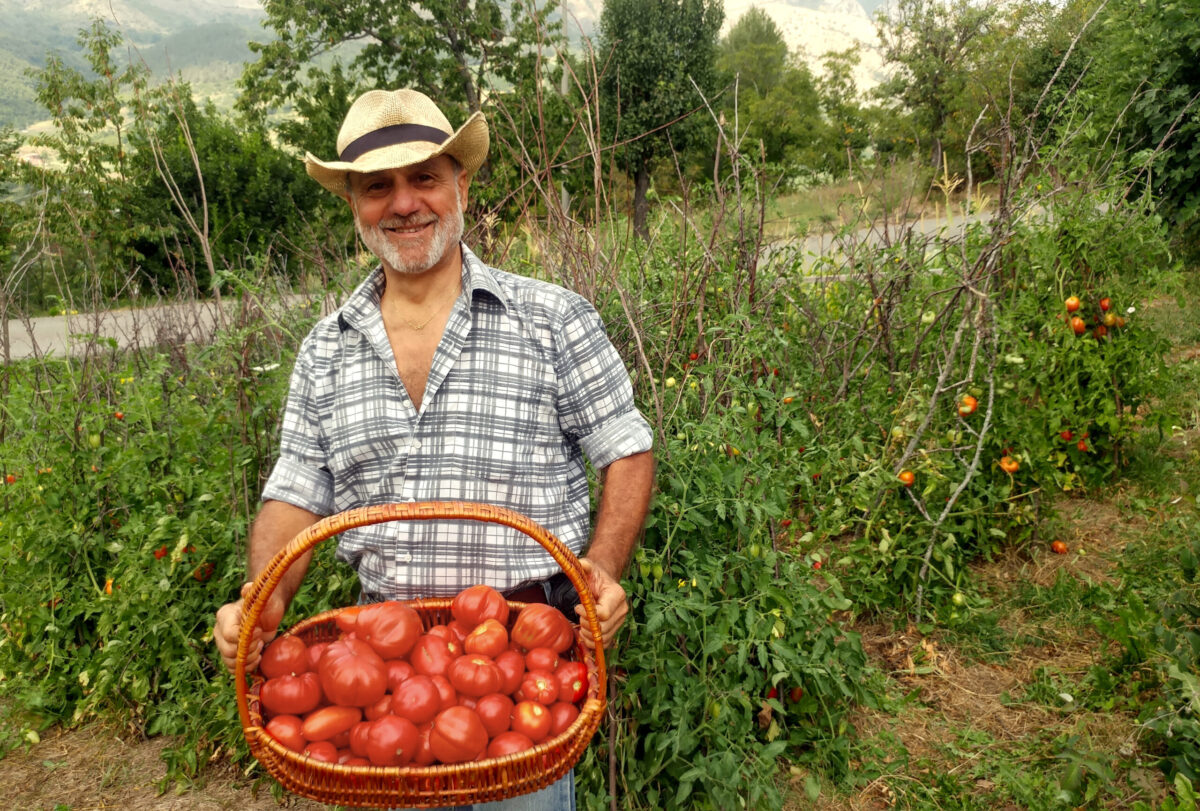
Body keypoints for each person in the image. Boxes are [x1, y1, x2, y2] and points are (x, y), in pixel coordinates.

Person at [212, 88, 655, 809]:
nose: (404, 202)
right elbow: (294, 492)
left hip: (523, 662)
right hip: (380, 676)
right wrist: (262, 600)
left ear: (460, 186)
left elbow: (626, 448)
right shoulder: (325, 349)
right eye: (377, 185)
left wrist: (601, 571)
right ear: (353, 203)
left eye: (424, 177)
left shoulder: (552, 318)